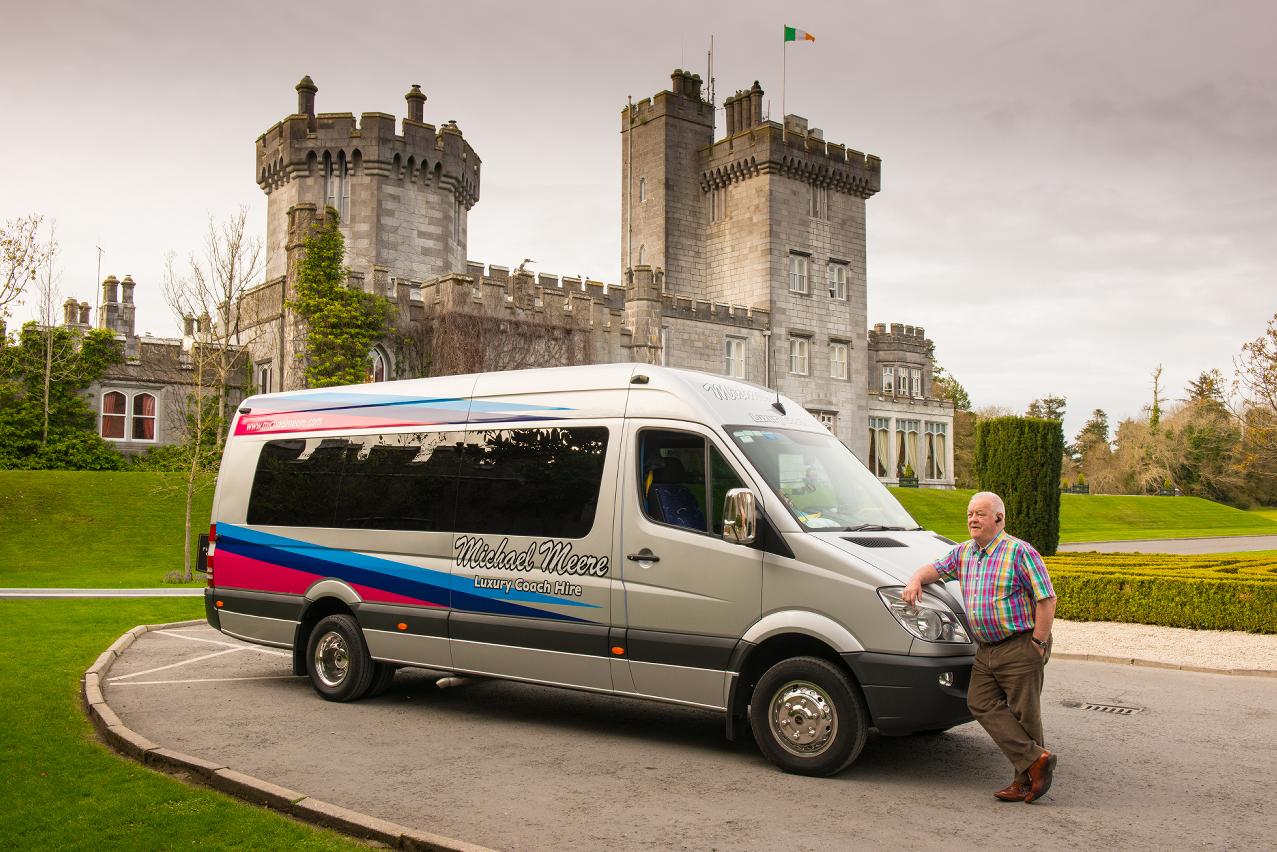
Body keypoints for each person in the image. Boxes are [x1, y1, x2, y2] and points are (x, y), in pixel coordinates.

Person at [903, 491, 1058, 803]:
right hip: (986, 648)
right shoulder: (964, 553)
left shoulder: (1020, 552)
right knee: (979, 702)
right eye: (970, 514)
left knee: (1025, 715)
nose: (972, 519)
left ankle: (1025, 782)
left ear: (999, 519)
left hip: (1020, 644)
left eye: (980, 514)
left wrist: (1038, 643)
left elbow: (1046, 598)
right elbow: (935, 569)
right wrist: (915, 579)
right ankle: (1036, 760)